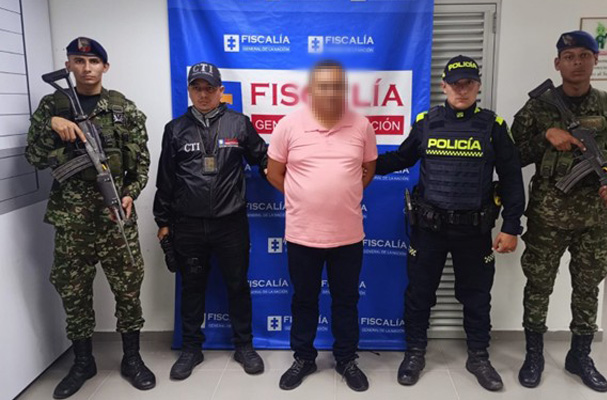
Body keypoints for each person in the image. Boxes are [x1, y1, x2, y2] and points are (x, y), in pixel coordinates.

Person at [376, 55, 525, 391]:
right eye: (455, 84)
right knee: (419, 293)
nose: (461, 89)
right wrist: (362, 163)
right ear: (443, 86)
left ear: (478, 86)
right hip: (429, 228)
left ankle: (479, 357)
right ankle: (415, 353)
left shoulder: (493, 127)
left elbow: (512, 179)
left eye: (468, 83)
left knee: (476, 297)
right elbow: (401, 158)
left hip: (474, 230)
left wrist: (511, 226)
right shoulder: (426, 123)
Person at [25, 37, 155, 398]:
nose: (86, 68)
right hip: (72, 222)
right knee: (74, 292)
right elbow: (33, 156)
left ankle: (132, 359)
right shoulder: (52, 106)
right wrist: (52, 125)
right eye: (79, 61)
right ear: (68, 65)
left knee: (128, 289)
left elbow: (142, 163)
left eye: (94, 61)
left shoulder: (123, 109)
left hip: (116, 218)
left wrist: (130, 193)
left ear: (105, 67)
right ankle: (83, 362)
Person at [512, 31, 607, 392]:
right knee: (538, 286)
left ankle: (580, 356)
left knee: (587, 288)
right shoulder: (538, 107)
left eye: (584, 55)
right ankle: (534, 355)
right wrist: (545, 136)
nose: (577, 63)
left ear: (595, 60)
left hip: (595, 219)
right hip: (547, 217)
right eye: (569, 57)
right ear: (557, 63)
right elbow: (511, 155)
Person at [267, 60, 378, 392]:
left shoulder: (361, 126)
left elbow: (368, 169)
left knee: (346, 301)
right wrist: (302, 196)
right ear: (311, 90)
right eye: (324, 86)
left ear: (345, 89)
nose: (331, 92)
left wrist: (343, 193)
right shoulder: (288, 125)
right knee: (304, 300)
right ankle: (304, 358)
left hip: (348, 235)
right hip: (303, 235)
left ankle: (346, 359)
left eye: (337, 86)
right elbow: (274, 173)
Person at [153, 62, 267, 380]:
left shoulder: (239, 124)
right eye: (197, 88)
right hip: (188, 224)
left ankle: (244, 346)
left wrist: (291, 172)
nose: (203, 95)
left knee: (237, 286)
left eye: (209, 88)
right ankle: (191, 348)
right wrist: (163, 222)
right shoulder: (175, 129)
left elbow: (263, 158)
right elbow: (166, 179)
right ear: (189, 91)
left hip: (230, 223)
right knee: (192, 287)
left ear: (220, 91)